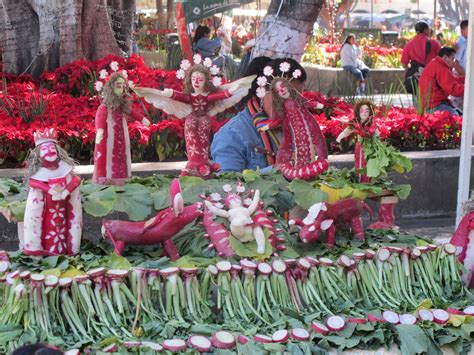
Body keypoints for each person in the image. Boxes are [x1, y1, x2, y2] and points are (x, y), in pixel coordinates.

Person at [135, 58, 253, 177]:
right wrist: (169, 94)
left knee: (203, 141)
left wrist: (232, 90)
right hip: (191, 121)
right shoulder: (190, 97)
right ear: (189, 80)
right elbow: (180, 97)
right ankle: (193, 163)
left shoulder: (207, 97)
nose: (196, 82)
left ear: (206, 81)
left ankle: (203, 162)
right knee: (192, 140)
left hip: (204, 121)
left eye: (200, 79)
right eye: (193, 79)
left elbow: (221, 95)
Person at [211, 57, 313, 172]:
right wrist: (275, 171)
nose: (292, 104)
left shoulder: (296, 127)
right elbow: (226, 184)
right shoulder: (230, 134)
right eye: (284, 97)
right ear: (262, 92)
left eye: (297, 99)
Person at [23, 128, 82, 256]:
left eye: (52, 148)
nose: (49, 151)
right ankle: (46, 254)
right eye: (45, 149)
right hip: (47, 212)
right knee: (47, 231)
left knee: (62, 232)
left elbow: (76, 180)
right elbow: (34, 182)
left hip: (64, 212)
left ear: (57, 150)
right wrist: (48, 190)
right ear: (39, 154)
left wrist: (67, 191)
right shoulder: (40, 173)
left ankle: (66, 253)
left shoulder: (64, 169)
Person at [93, 72, 150, 186]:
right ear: (111, 87)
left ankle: (122, 177)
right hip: (109, 139)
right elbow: (100, 120)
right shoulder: (105, 107)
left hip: (121, 139)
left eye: (124, 86)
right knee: (108, 158)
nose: (122, 89)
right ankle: (108, 178)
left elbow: (132, 112)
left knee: (122, 157)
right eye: (119, 86)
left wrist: (143, 119)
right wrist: (100, 132)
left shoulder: (122, 106)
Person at [418, 47, 465, 115]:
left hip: (429, 105)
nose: (454, 62)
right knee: (458, 119)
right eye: (453, 59)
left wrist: (465, 80)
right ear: (445, 57)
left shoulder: (435, 63)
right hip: (435, 105)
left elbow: (452, 80)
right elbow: (454, 90)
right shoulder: (441, 68)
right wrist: (468, 88)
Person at [401, 21, 441, 95]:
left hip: (416, 76)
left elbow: (404, 63)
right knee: (431, 98)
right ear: (426, 30)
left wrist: (409, 72)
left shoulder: (410, 44)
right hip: (432, 75)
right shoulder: (435, 43)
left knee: (417, 98)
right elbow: (441, 59)